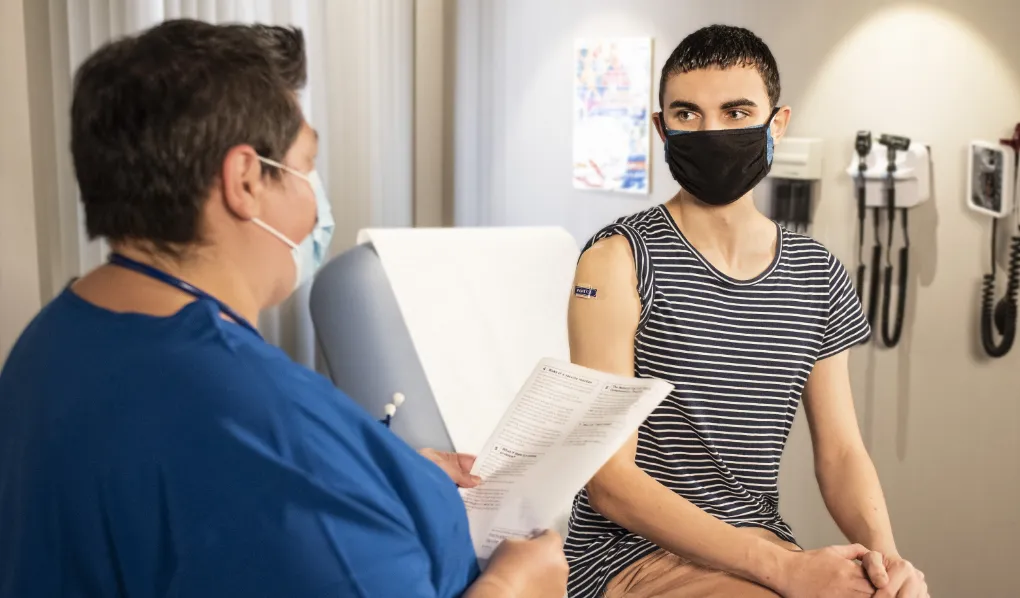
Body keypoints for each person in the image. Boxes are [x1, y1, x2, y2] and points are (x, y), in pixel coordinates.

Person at [0, 19, 567, 598]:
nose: (315, 196)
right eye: (307, 164)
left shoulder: (50, 342)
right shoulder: (262, 423)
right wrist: (517, 587)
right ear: (245, 180)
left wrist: (382, 471)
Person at [563, 25, 929, 598]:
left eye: (737, 113)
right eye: (687, 115)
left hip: (759, 545)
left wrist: (889, 563)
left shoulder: (817, 272)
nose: (711, 132)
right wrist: (782, 569)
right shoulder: (616, 262)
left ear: (775, 124)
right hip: (630, 554)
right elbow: (610, 483)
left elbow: (840, 453)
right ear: (661, 129)